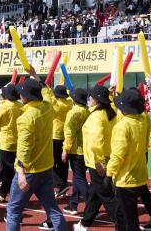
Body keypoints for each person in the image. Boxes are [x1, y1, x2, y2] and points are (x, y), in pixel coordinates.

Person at [5, 78, 68, 231]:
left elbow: (24, 148)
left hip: (29, 170)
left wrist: (21, 171)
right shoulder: (47, 108)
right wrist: (40, 81)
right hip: (45, 168)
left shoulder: (26, 118)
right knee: (52, 208)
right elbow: (50, 99)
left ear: (25, 97)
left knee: (13, 210)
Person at [109, 89, 151, 231]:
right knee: (122, 214)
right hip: (139, 172)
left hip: (125, 178)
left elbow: (118, 154)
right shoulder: (142, 120)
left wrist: (109, 173)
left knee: (129, 220)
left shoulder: (122, 126)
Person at [74, 85, 122, 231]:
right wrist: (110, 95)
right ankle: (85, 223)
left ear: (97, 100)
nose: (89, 99)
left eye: (91, 97)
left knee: (106, 195)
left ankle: (123, 222)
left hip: (97, 161)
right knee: (95, 194)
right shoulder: (110, 112)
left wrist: (98, 161)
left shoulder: (96, 117)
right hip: (107, 156)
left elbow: (96, 141)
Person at [0, 84, 22, 203]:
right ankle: (3, 192)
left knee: (9, 170)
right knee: (10, 168)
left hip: (6, 142)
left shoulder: (4, 106)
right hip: (17, 140)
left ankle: (4, 193)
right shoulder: (20, 106)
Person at [62, 88, 89, 216]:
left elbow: (69, 133)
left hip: (76, 150)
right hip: (86, 149)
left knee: (80, 178)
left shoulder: (73, 112)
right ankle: (73, 204)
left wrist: (65, 150)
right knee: (78, 177)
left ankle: (90, 205)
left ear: (74, 100)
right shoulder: (88, 111)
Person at [51, 85, 72, 196]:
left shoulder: (55, 104)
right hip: (65, 135)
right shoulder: (70, 103)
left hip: (55, 135)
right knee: (63, 163)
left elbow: (47, 98)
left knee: (51, 163)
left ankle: (60, 184)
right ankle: (63, 185)